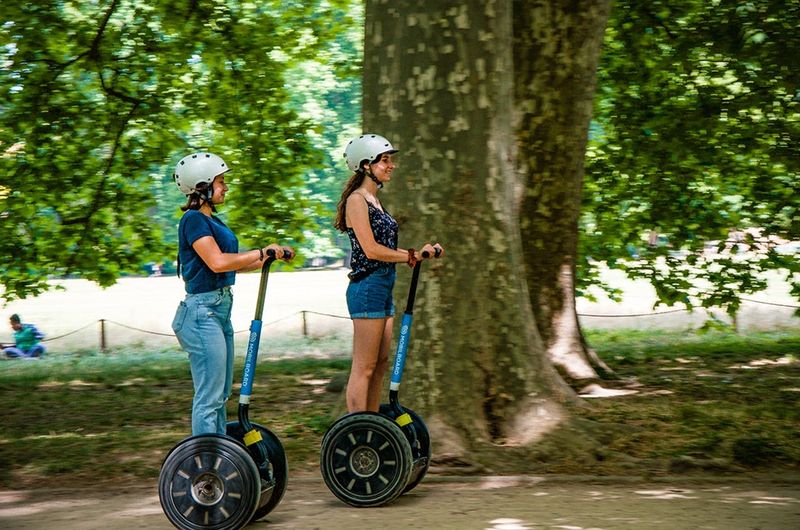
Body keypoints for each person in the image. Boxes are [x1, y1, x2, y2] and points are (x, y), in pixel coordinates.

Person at [170, 152, 294, 436]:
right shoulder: (192, 220)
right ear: (202, 186)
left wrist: (268, 257)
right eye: (221, 182)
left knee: (221, 395)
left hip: (218, 309)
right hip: (202, 313)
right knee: (210, 397)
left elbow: (231, 264)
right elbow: (217, 262)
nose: (225, 187)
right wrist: (260, 252)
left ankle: (219, 453)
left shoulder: (212, 221)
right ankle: (206, 459)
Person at [334, 134, 444, 413]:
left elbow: (386, 248)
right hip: (367, 286)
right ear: (365, 165)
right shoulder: (357, 200)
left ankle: (373, 423)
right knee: (364, 366)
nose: (391, 165)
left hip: (383, 285)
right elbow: (371, 250)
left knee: (380, 364)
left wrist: (418, 254)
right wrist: (411, 255)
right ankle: (357, 427)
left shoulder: (375, 200)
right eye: (384, 160)